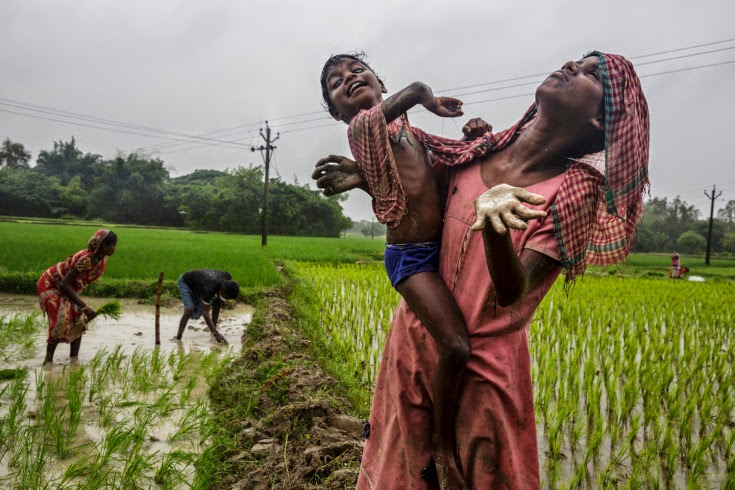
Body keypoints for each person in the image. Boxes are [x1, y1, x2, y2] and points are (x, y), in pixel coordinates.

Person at [313, 51, 649, 488]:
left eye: (592, 75)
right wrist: (366, 174)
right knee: (397, 473)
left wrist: (493, 226)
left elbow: (516, 290)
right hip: (415, 346)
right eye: (577, 61)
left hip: (482, 377)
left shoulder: (574, 191)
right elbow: (421, 194)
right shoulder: (481, 148)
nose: (572, 66)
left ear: (603, 123)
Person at [319, 52, 502, 487]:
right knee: (456, 346)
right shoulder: (362, 130)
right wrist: (428, 97)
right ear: (336, 111)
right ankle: (440, 445)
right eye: (335, 82)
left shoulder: (410, 134)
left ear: (379, 82)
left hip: (440, 248)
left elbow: (452, 165)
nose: (348, 79)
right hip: (411, 258)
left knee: (449, 343)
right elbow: (418, 91)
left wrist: (475, 132)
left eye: (357, 71)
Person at [37, 229, 118, 365]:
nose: (114, 248)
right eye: (113, 245)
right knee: (60, 319)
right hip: (51, 284)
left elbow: (78, 282)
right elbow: (64, 284)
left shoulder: (101, 259)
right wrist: (85, 306)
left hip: (68, 287)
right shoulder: (86, 260)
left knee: (78, 320)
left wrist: (81, 306)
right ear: (104, 245)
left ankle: (74, 360)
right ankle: (48, 361)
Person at [175, 269, 239, 344]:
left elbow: (219, 286)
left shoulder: (227, 277)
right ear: (222, 290)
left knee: (217, 302)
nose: (226, 299)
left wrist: (219, 297)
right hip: (186, 282)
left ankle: (213, 330)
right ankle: (178, 338)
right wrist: (217, 335)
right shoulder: (210, 287)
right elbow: (205, 313)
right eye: (226, 297)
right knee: (189, 310)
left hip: (200, 284)